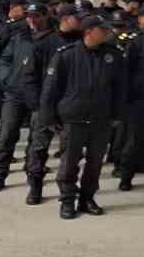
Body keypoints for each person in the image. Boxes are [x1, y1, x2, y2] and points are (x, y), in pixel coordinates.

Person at [38, 15, 125, 219]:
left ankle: (87, 198)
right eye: (102, 29)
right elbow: (50, 90)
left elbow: (121, 88)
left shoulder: (113, 55)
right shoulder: (66, 55)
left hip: (101, 118)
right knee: (69, 162)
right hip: (73, 118)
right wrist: (48, 118)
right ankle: (67, 200)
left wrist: (118, 115)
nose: (106, 32)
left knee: (95, 162)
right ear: (88, 32)